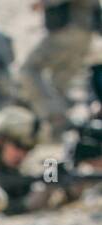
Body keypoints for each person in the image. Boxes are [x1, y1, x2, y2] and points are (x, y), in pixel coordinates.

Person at [21, 1, 101, 139]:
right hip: (82, 34)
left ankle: (56, 116)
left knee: (28, 69)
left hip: (68, 31)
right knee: (59, 83)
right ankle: (60, 130)